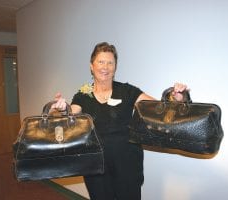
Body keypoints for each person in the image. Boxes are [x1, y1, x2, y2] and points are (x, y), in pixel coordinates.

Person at [52, 42, 188, 200]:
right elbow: (70, 115)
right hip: (96, 165)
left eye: (110, 62)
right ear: (91, 66)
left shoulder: (127, 91)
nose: (106, 67)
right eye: (101, 62)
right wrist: (61, 108)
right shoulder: (83, 95)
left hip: (127, 165)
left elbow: (157, 108)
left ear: (115, 67)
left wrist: (176, 98)